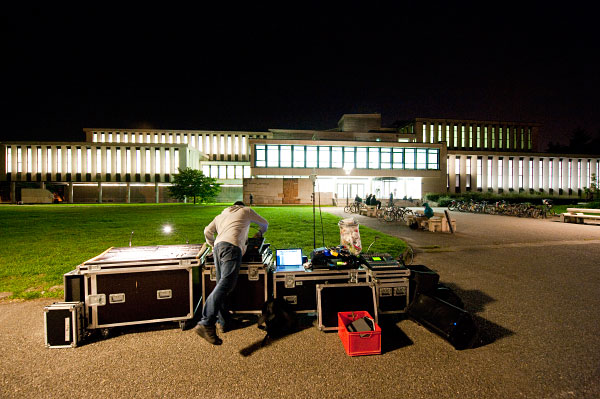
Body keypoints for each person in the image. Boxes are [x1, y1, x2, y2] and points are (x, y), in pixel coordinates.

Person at [194, 201, 269, 345]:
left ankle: (224, 322)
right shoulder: (245, 210)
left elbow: (207, 231)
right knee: (226, 284)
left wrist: (212, 244)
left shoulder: (221, 215)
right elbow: (265, 223)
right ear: (241, 206)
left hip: (218, 248)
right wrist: (259, 233)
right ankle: (206, 322)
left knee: (220, 285)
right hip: (232, 247)